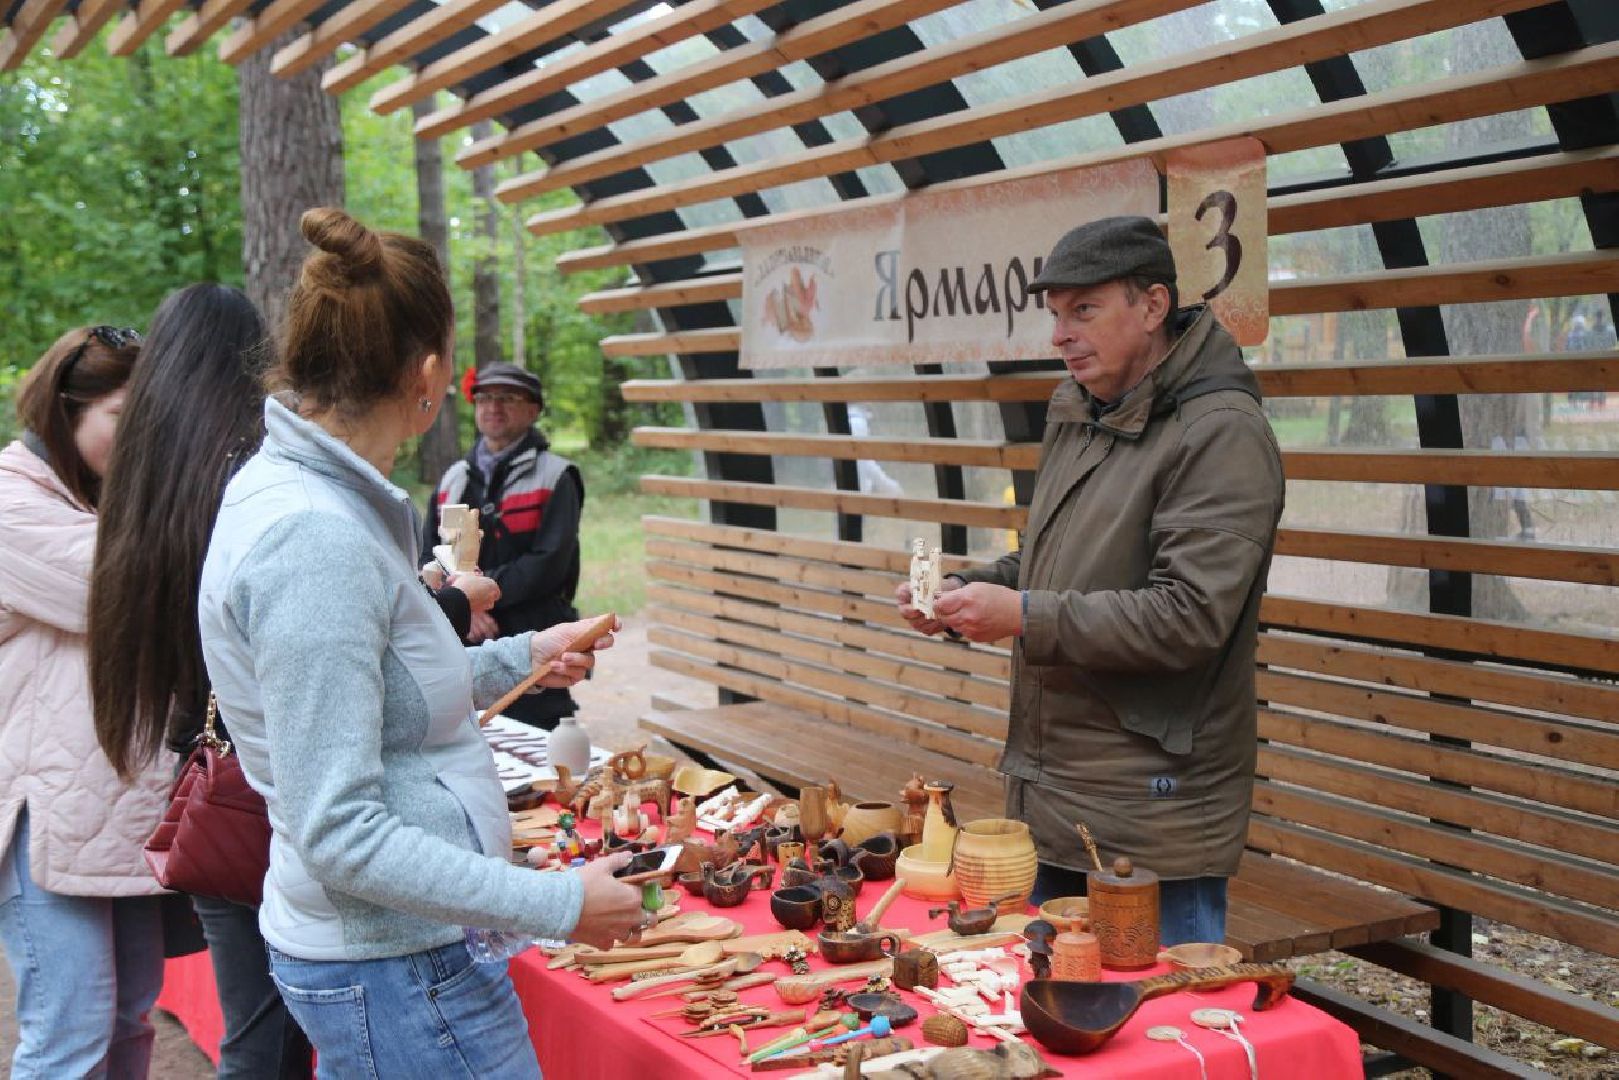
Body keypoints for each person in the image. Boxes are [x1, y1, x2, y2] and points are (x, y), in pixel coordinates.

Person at [196, 208, 643, 1076]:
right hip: (397, 965)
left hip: (403, 956)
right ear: (431, 373)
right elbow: (340, 831)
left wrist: (525, 654)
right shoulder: (313, 537)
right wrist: (552, 903)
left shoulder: (311, 495)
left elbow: (383, 686)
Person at [896, 216, 1285, 946]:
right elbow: (1048, 564)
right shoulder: (1079, 411)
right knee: (1057, 1018)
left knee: (1157, 1035)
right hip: (1057, 798)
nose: (1060, 335)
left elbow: (1190, 617)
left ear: (1152, 305)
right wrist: (966, 592)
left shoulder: (1219, 432)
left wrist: (1022, 615)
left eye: (1084, 310)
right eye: (1054, 314)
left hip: (1153, 815)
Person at [88, 284, 317, 1079]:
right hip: (263, 777)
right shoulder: (250, 470)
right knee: (271, 1033)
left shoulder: (140, 475)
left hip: (203, 777)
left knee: (258, 1023)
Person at [0, 325, 173, 1078]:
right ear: (63, 411)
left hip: (120, 805)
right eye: (120, 419)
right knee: (69, 1031)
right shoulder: (12, 501)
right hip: (42, 812)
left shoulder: (101, 503)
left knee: (129, 1018)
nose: (137, 441)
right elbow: (119, 591)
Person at [422, 361, 583, 730]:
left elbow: (549, 563)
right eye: (486, 398)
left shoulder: (557, 476)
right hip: (463, 638)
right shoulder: (453, 477)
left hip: (533, 634)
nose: (493, 407)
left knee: (537, 753)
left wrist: (480, 596)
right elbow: (428, 553)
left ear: (533, 410)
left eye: (508, 398)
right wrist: (465, 605)